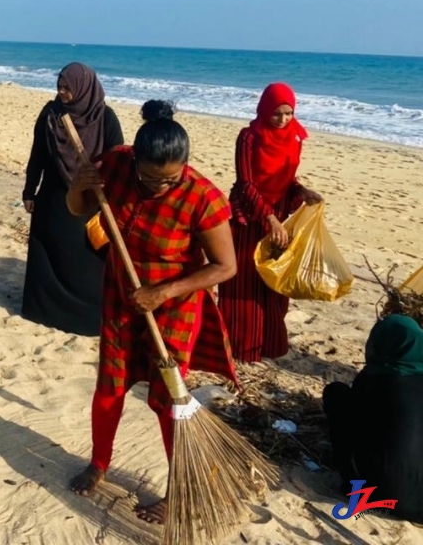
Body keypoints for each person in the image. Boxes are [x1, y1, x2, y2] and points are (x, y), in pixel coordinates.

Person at [65, 100, 239, 525]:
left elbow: (225, 267)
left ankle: (182, 486)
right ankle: (99, 463)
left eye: (170, 179)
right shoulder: (118, 164)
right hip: (121, 294)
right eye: (149, 177)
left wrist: (162, 292)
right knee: (110, 385)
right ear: (136, 160)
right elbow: (79, 208)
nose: (159, 186)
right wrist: (78, 184)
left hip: (175, 304)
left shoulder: (204, 198)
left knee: (167, 401)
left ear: (185, 166)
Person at [220, 83, 322, 362]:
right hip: (250, 213)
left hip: (279, 212)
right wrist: (269, 219)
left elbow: (288, 178)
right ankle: (239, 346)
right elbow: (245, 182)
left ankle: (270, 344)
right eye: (277, 113)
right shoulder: (249, 137)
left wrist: (301, 191)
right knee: (244, 278)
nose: (283, 120)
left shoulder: (294, 136)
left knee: (274, 280)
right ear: (265, 109)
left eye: (288, 113)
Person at [21, 64, 124, 335]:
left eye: (68, 88)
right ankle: (44, 310)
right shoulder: (51, 114)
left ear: (83, 87)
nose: (63, 93)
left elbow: (117, 159)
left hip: (90, 198)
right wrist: (29, 191)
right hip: (55, 195)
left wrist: (110, 191)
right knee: (50, 251)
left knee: (86, 256)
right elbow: (39, 155)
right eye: (60, 87)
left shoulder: (105, 117)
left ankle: (87, 317)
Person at [322, 314, 423, 523]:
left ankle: (353, 485)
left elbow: (354, 427)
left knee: (336, 393)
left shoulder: (371, 381)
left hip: (388, 500)